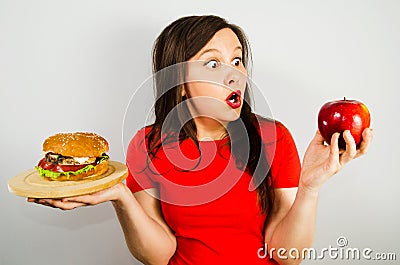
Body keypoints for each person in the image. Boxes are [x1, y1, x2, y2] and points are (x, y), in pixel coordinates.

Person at [28, 15, 373, 265]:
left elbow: (287, 256)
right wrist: (121, 197)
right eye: (213, 64)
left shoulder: (273, 138)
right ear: (178, 82)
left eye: (237, 60)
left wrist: (310, 188)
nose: (234, 74)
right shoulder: (147, 145)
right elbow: (158, 255)